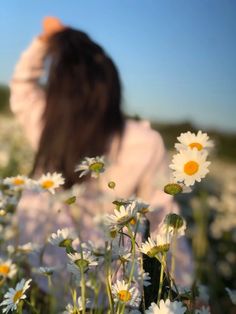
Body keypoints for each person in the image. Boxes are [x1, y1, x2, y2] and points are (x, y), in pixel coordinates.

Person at [10, 17, 193, 289]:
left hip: (38, 273)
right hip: (110, 285)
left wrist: (45, 41)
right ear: (114, 89)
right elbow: (165, 220)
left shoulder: (48, 124)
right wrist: (185, 288)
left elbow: (23, 84)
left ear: (58, 94)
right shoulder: (143, 141)